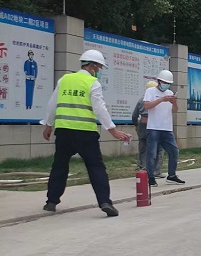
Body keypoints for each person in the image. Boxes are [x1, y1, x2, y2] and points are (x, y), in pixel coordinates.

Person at [40, 49, 132, 217]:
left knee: (59, 166)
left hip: (64, 132)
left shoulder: (64, 80)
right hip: (85, 134)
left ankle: (51, 202)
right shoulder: (92, 83)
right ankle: (105, 202)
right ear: (92, 66)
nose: (99, 71)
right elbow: (99, 108)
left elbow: (52, 104)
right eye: (99, 68)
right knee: (96, 167)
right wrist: (113, 131)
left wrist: (48, 125)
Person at [143, 69, 185, 186]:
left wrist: (174, 102)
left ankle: (171, 175)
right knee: (152, 154)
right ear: (159, 81)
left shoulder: (169, 92)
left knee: (174, 151)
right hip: (154, 127)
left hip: (167, 128)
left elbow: (175, 110)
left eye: (168, 83)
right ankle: (150, 177)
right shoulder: (150, 91)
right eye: (165, 82)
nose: (166, 85)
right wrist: (162, 99)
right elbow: (146, 106)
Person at [132, 81, 163, 177]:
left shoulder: (141, 100)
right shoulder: (158, 101)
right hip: (155, 126)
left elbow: (134, 115)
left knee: (143, 147)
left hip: (142, 125)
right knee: (158, 149)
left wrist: (136, 125)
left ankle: (142, 169)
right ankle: (156, 171)